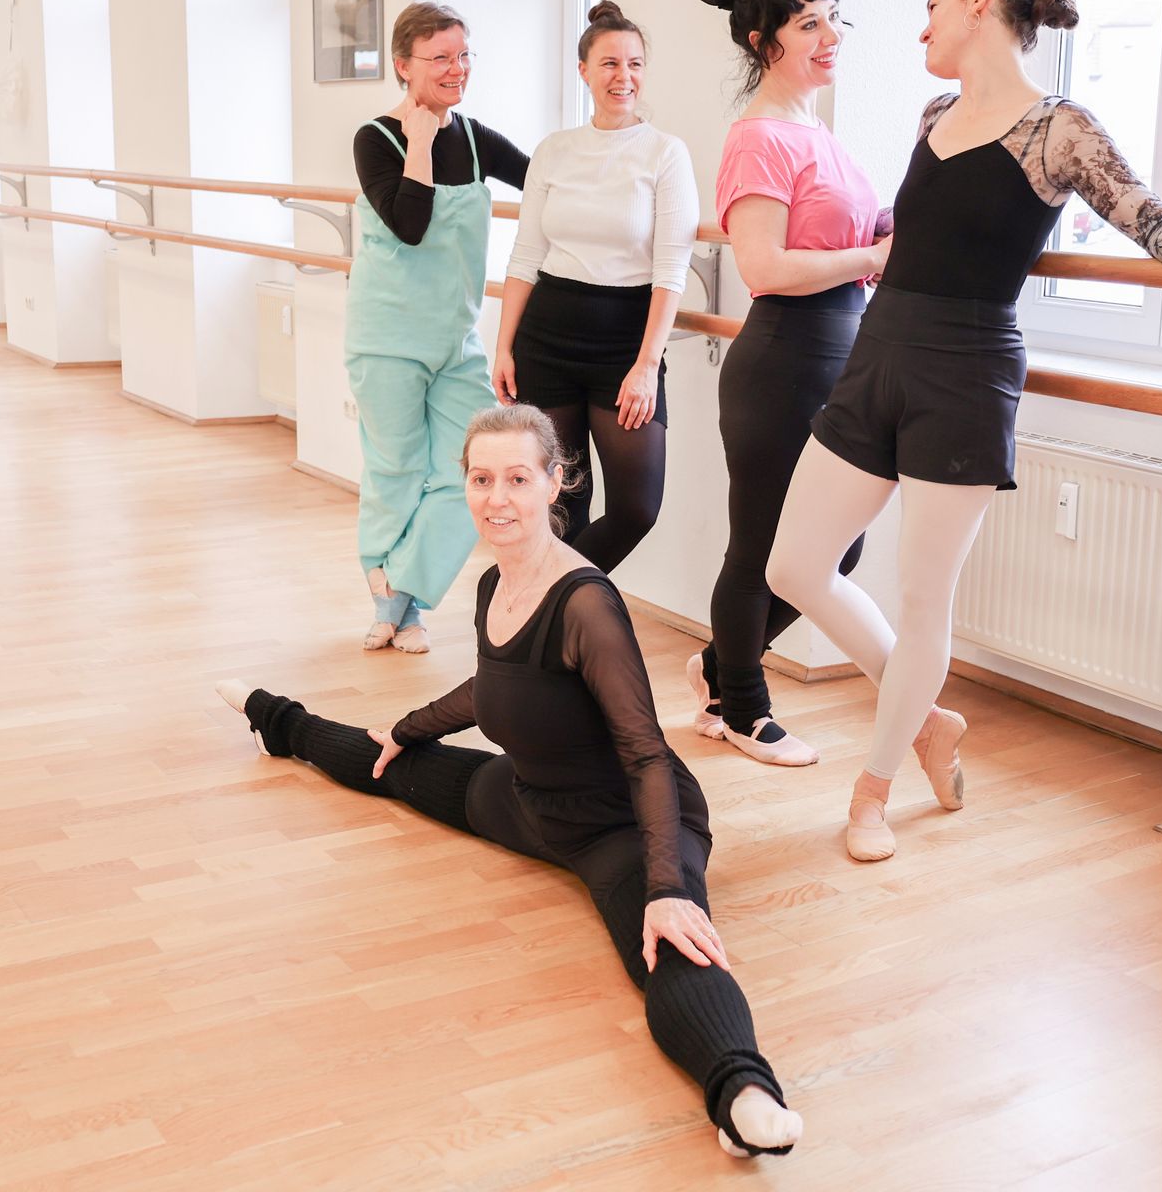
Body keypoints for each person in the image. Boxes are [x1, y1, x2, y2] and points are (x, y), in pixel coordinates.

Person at [765, 0, 1162, 861]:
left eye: (931, 6)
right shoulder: (934, 116)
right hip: (881, 354)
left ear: (978, 2)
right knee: (793, 566)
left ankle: (871, 796)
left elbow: (1145, 216)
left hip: (967, 370)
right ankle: (924, 719)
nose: (921, 27)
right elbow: (915, 235)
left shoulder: (1056, 129)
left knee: (922, 597)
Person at [216, 404, 804, 1157]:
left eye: (518, 479)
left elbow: (648, 755)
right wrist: (406, 728)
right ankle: (274, 717)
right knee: (385, 764)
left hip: (623, 826)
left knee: (668, 948)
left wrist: (664, 887)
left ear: (555, 483)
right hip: (531, 802)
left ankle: (744, 1095)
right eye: (482, 479)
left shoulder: (587, 604)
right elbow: (497, 685)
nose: (498, 498)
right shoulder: (497, 584)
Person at [689, 0, 966, 776]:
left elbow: (855, 230)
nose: (830, 35)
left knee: (830, 556)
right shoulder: (760, 138)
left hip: (842, 356)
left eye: (834, 18)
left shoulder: (818, 132)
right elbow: (765, 267)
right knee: (762, 547)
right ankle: (741, 706)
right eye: (808, 23)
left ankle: (716, 672)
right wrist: (868, 258)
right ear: (759, 41)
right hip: (784, 359)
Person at [345, 0, 529, 654]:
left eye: (464, 55)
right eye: (441, 58)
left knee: (473, 467)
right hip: (387, 337)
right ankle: (396, 609)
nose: (457, 69)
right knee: (396, 468)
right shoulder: (377, 139)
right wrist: (420, 142)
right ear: (403, 65)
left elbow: (543, 179)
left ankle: (405, 584)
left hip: (454, 342)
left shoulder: (476, 139)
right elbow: (410, 223)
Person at [492, 1, 699, 574]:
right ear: (584, 70)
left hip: (626, 345)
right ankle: (557, 640)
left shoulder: (665, 153)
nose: (623, 76)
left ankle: (535, 601)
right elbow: (527, 255)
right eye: (609, 63)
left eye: (634, 63)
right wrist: (505, 345)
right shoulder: (555, 150)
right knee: (561, 502)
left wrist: (646, 364)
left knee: (636, 506)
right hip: (548, 337)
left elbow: (671, 268)